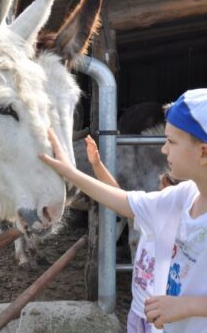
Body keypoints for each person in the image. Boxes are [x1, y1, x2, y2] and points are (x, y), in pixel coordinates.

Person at [40, 88, 207, 332]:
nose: (164, 149)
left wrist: (187, 306)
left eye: (171, 141)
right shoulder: (187, 195)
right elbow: (125, 203)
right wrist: (70, 172)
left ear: (204, 153)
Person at [85, 133, 181, 332]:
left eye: (162, 192)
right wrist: (97, 165)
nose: (155, 197)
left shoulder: (180, 228)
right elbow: (121, 197)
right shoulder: (152, 217)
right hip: (138, 308)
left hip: (160, 315)